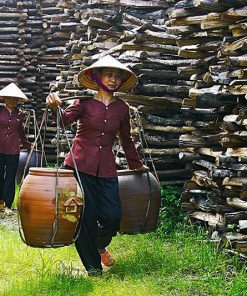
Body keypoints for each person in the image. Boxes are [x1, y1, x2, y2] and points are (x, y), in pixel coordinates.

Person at [46, 55, 148, 276]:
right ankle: (93, 268)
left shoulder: (122, 108)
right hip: (79, 166)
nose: (113, 80)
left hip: (107, 168)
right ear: (97, 76)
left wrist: (136, 164)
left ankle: (99, 246)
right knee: (86, 217)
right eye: (109, 74)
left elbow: (126, 139)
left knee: (113, 215)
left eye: (117, 77)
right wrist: (54, 107)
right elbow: (62, 120)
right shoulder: (83, 103)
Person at [0, 83, 31, 215]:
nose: (12, 101)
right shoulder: (0, 111)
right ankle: (0, 203)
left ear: (18, 100)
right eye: (9, 98)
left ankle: (8, 205)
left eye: (14, 98)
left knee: (10, 177)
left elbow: (21, 131)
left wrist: (28, 145)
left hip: (13, 150)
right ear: (5, 98)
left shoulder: (20, 114)